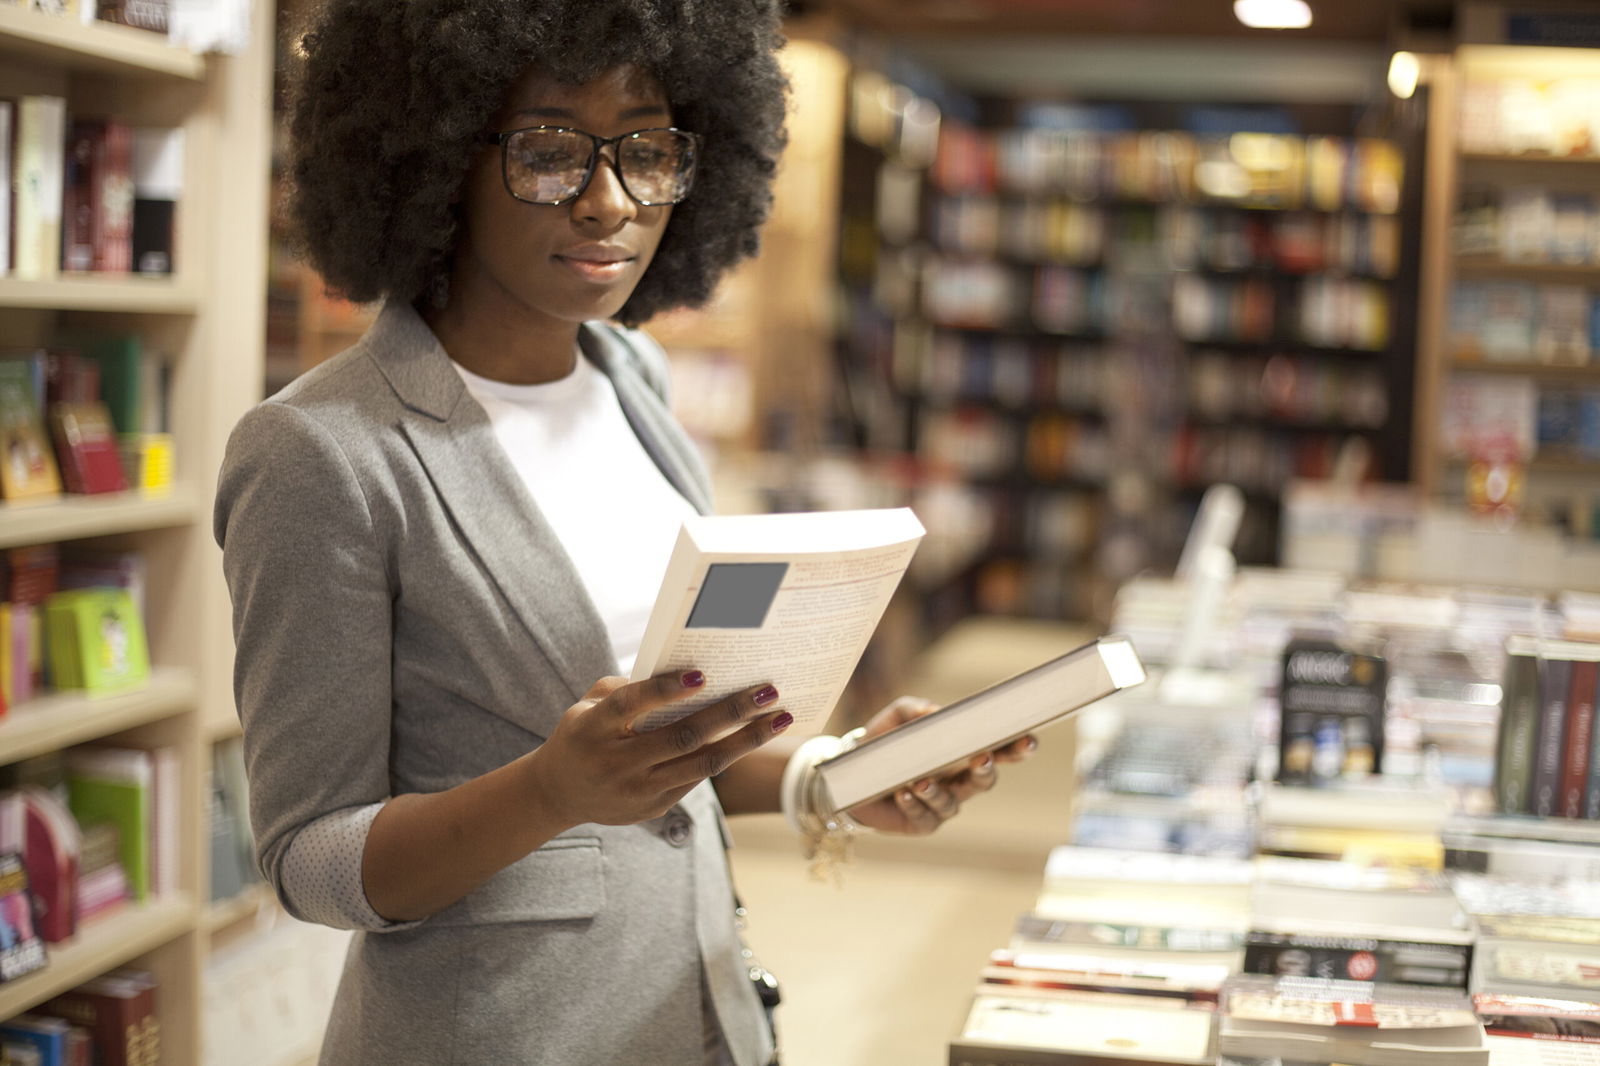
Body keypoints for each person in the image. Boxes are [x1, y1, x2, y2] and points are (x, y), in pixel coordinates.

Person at [214, 2, 1036, 1064]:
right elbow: (307, 862)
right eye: (551, 151)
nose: (609, 202)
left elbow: (657, 746)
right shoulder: (319, 450)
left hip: (698, 1008)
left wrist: (824, 776)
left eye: (645, 151)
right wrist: (549, 789)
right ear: (431, 155)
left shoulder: (631, 381)